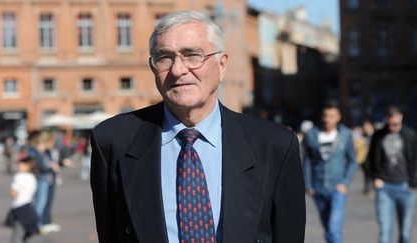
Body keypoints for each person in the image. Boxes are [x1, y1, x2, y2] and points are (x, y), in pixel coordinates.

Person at [90, 10, 305, 243]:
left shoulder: (274, 145)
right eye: (164, 57)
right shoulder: (113, 141)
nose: (178, 70)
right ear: (153, 68)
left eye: (192, 55)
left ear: (222, 65)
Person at [303, 101, 357, 243]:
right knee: (328, 227)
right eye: (325, 116)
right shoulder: (312, 135)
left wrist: (345, 183)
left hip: (337, 188)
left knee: (334, 228)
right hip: (318, 187)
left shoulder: (345, 135)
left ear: (338, 117)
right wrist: (308, 184)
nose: (327, 119)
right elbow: (307, 161)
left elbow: (352, 160)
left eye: (331, 116)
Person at [368, 106, 417, 243]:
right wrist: (375, 177)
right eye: (389, 123)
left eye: (395, 124)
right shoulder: (378, 135)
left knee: (405, 233)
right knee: (385, 231)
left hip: (405, 187)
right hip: (385, 188)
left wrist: (413, 183)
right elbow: (370, 158)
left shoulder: (410, 135)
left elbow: (414, 159)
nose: (392, 127)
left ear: (401, 118)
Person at [5, 155, 39, 243]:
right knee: (27, 235)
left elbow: (14, 193)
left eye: (21, 164)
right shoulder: (33, 177)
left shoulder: (19, 177)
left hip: (19, 208)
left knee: (16, 235)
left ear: (28, 166)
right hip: (29, 208)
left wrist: (11, 192)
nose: (19, 166)